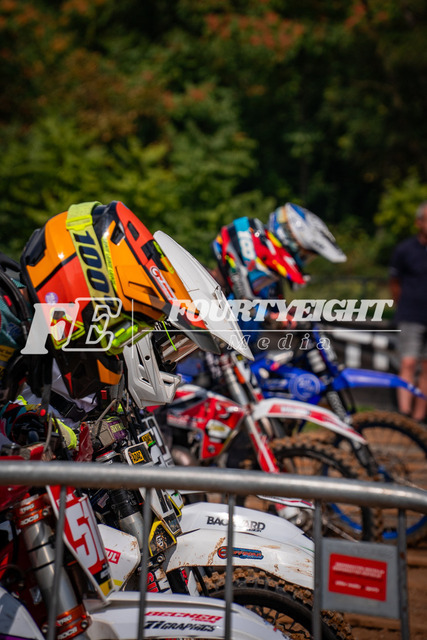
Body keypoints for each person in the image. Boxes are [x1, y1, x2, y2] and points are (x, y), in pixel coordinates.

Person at [389, 201, 427, 422]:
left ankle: (418, 421)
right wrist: (401, 305)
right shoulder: (405, 250)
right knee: (408, 363)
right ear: (418, 222)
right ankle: (403, 417)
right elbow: (394, 282)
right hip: (410, 315)